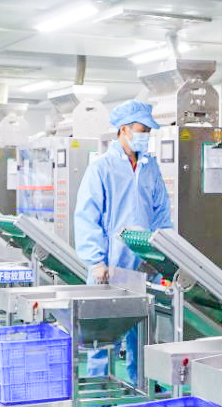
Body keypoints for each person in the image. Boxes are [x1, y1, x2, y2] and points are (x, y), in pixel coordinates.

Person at [73, 100, 172, 381]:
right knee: (104, 329)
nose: (145, 136)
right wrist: (96, 261)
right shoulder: (101, 168)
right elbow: (87, 216)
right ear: (124, 129)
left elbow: (162, 212)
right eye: (141, 130)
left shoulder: (150, 168)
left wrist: (165, 256)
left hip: (145, 262)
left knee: (142, 328)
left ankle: (141, 382)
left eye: (148, 132)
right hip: (110, 262)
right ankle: (99, 384)